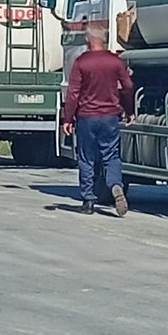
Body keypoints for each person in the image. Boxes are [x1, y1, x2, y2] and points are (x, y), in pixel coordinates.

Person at [61, 23, 134, 217]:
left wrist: (67, 118)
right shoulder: (115, 62)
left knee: (86, 158)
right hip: (110, 116)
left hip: (87, 117)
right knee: (111, 155)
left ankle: (88, 201)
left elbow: (73, 93)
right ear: (104, 39)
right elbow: (127, 87)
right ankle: (116, 185)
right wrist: (129, 110)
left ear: (87, 39)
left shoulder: (82, 62)